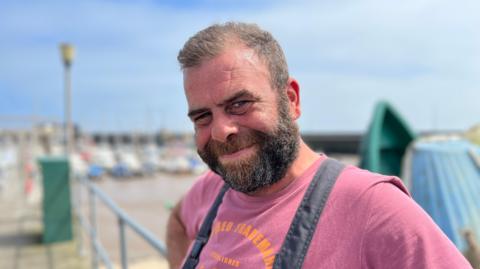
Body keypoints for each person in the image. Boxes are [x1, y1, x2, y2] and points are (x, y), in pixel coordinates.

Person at [166, 22, 472, 269]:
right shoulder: (213, 189)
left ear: (291, 100)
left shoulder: (373, 208)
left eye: (240, 104)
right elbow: (178, 222)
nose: (221, 131)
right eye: (203, 117)